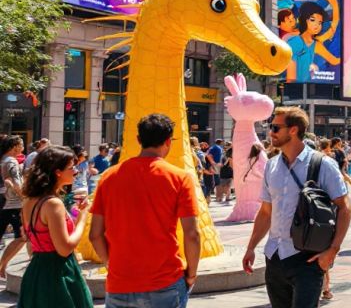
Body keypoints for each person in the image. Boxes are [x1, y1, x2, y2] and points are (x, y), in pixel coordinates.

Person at [242, 107, 351, 308]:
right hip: (275, 255)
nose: (270, 132)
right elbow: (266, 211)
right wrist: (251, 247)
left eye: (275, 127)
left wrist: (333, 250)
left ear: (293, 130)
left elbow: (345, 207)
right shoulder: (272, 165)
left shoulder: (323, 165)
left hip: (307, 258)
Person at [89, 114, 201, 307]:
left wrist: (110, 264)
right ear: (168, 141)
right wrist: (191, 273)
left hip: (119, 282)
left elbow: (95, 235)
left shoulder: (108, 177)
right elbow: (192, 234)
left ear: (139, 140)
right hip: (165, 281)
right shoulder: (180, 178)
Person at [17, 146, 92, 307]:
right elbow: (64, 248)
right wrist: (82, 217)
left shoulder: (28, 201)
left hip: (36, 271)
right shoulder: (53, 204)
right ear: (58, 172)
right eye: (72, 168)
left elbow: (30, 243)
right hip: (58, 274)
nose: (76, 171)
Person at [0, 135, 25, 277]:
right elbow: (17, 183)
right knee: (22, 236)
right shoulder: (11, 161)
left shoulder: (4, 160)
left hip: (5, 201)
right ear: (14, 146)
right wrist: (24, 198)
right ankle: (2, 266)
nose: (22, 147)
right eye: (21, 145)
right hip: (13, 203)